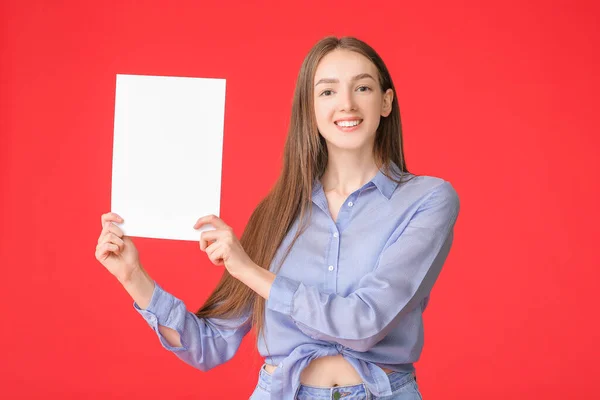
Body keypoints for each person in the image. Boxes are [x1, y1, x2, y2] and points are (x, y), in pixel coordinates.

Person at [95, 36, 460, 400]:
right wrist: (132, 276)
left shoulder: (427, 199)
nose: (346, 104)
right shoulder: (277, 213)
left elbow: (365, 323)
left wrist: (250, 271)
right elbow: (210, 345)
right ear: (309, 108)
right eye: (327, 92)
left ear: (385, 102)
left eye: (362, 87)